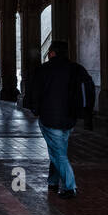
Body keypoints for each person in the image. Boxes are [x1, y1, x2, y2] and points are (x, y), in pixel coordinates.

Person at [25, 40, 95, 199]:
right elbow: (88, 88)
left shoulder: (43, 70)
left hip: (50, 118)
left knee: (59, 154)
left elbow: (34, 91)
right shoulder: (77, 69)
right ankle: (53, 181)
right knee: (58, 149)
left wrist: (35, 109)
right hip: (69, 118)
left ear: (52, 53)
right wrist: (84, 112)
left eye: (49, 52)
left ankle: (70, 187)